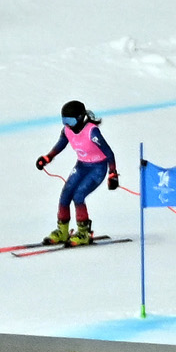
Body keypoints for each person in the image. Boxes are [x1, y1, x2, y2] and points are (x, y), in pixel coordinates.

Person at [35, 100, 119, 245]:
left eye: (70, 120)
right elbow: (61, 144)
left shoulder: (92, 132)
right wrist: (47, 157)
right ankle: (62, 231)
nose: (67, 124)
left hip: (97, 168)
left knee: (79, 195)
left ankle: (83, 233)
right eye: (64, 120)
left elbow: (109, 153)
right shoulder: (67, 130)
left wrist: (113, 174)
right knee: (66, 194)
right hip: (81, 166)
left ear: (80, 118)